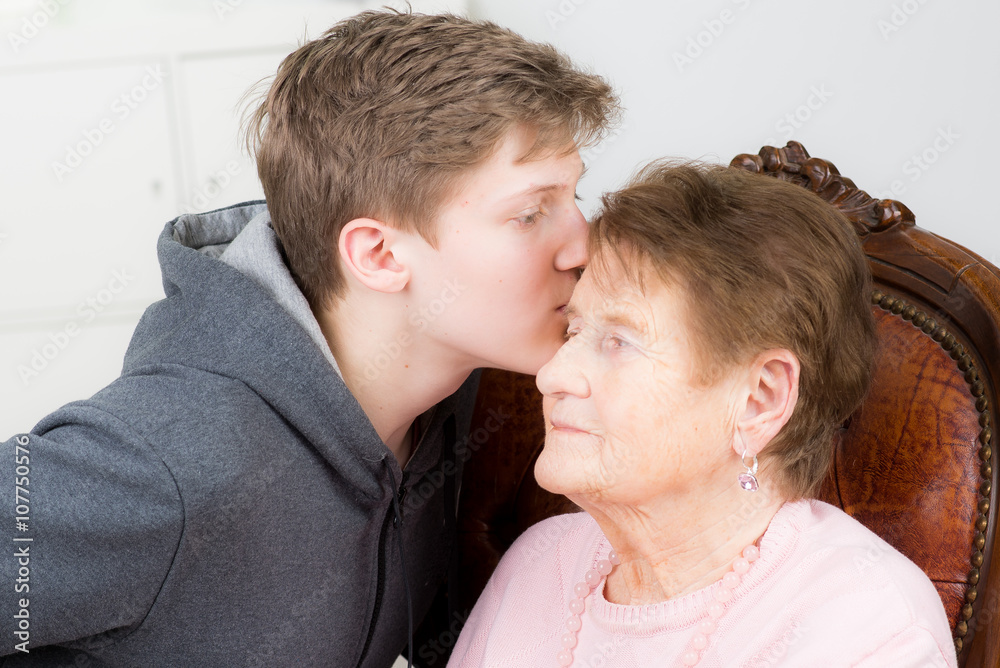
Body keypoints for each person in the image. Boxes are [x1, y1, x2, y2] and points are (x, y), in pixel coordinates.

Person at [1, 10, 618, 667]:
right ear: (378, 255)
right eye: (530, 212)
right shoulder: (170, 459)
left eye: (575, 196)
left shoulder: (462, 396)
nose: (584, 242)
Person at [448, 162, 958, 667]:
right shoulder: (541, 563)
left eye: (618, 341)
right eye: (574, 331)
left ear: (759, 399)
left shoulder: (868, 627)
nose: (551, 376)